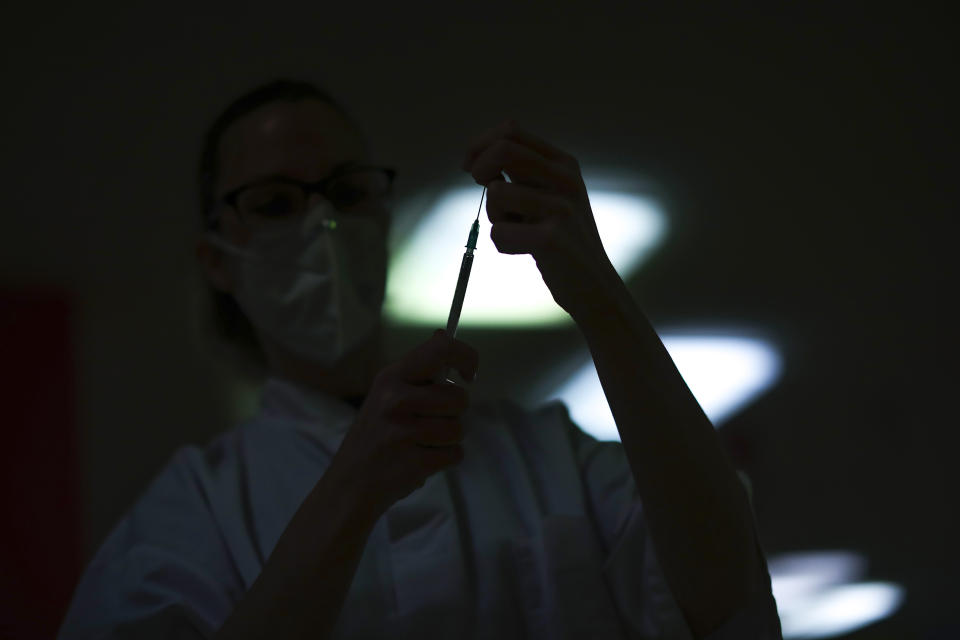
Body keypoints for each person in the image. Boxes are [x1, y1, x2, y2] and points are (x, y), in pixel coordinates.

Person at [58, 79, 782, 639]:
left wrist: (601, 298)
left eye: (347, 192)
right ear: (215, 258)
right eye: (276, 202)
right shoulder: (189, 514)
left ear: (382, 213)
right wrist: (353, 493)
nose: (323, 224)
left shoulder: (549, 457)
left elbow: (722, 599)